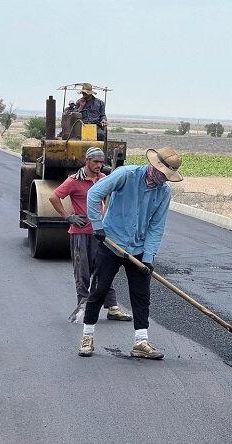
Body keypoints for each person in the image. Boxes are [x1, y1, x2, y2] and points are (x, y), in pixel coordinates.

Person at [78, 147, 183, 359]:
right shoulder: (126, 175)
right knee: (99, 290)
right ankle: (87, 336)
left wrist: (149, 257)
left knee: (141, 294)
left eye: (167, 177)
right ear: (153, 166)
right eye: (162, 174)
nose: (163, 179)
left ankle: (141, 342)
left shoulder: (163, 192)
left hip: (139, 248)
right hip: (111, 242)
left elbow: (156, 226)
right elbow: (94, 194)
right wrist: (97, 226)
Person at [49, 147, 132, 322]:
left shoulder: (103, 179)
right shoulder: (73, 181)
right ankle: (82, 307)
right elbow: (54, 197)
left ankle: (113, 308)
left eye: (102, 162)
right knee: (83, 272)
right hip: (81, 234)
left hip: (101, 234)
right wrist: (68, 217)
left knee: (105, 270)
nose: (99, 166)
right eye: (95, 162)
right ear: (87, 161)